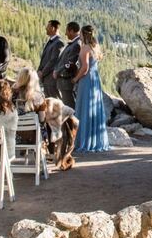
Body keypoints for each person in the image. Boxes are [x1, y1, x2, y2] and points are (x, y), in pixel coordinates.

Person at [72, 25, 109, 153]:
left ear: (83, 34)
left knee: (84, 108)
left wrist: (75, 79)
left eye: (81, 34)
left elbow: (85, 68)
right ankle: (95, 140)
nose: (79, 36)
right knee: (94, 109)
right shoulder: (95, 47)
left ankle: (84, 142)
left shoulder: (85, 48)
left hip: (86, 80)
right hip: (95, 80)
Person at [55, 21, 82, 108]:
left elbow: (70, 63)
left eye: (67, 31)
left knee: (70, 107)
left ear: (72, 31)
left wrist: (58, 72)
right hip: (64, 82)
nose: (66, 34)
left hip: (67, 82)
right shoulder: (73, 43)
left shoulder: (76, 44)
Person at [37, 20, 65, 99]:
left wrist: (42, 72)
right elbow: (44, 59)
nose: (46, 28)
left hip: (51, 80)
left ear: (53, 28)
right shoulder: (51, 42)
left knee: (55, 102)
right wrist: (39, 70)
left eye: (48, 26)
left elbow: (53, 61)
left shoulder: (59, 42)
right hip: (46, 79)